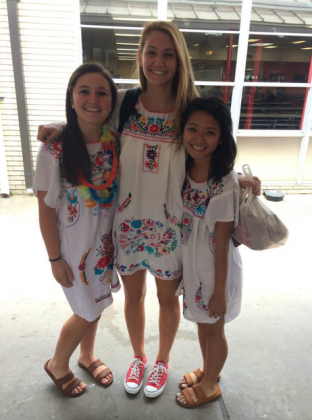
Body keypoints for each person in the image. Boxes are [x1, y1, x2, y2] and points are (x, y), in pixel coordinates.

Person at [37, 21, 260, 399]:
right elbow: (89, 117)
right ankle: (138, 357)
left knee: (167, 298)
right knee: (133, 297)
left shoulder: (190, 108)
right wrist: (58, 123)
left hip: (172, 225)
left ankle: (161, 360)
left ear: (179, 60)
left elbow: (209, 146)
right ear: (140, 57)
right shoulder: (124, 103)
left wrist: (235, 178)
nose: (159, 61)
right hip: (125, 223)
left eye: (168, 53)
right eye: (151, 52)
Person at [33, 63, 120, 397]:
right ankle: (58, 363)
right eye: (84, 90)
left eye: (102, 92)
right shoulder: (54, 151)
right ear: (71, 98)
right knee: (86, 310)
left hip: (106, 244)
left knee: (96, 304)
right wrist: (55, 258)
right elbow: (45, 211)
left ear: (112, 103)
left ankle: (87, 355)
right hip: (74, 249)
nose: (93, 99)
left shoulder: (115, 141)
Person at [176, 96, 242, 408]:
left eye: (210, 132)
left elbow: (223, 245)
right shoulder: (184, 169)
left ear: (222, 138)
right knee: (203, 324)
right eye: (193, 129)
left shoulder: (224, 183)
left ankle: (211, 384)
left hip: (215, 269)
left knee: (214, 330)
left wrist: (219, 292)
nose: (199, 139)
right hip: (194, 265)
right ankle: (208, 370)